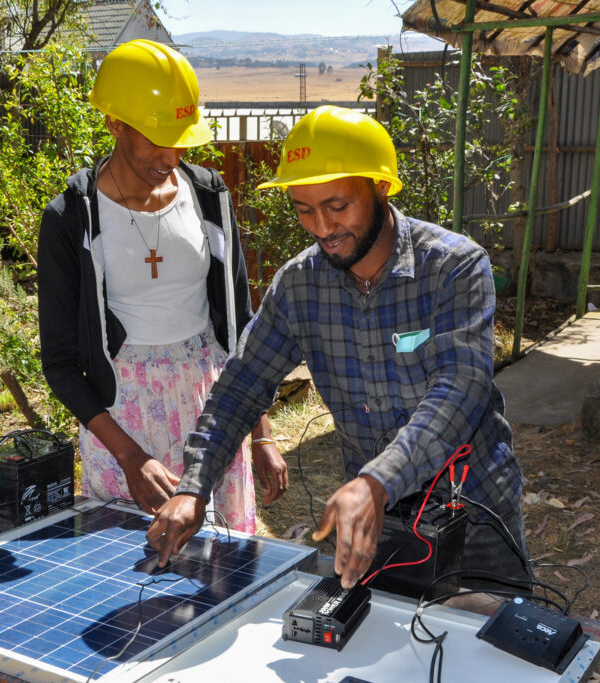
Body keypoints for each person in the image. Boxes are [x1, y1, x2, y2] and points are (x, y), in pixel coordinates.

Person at [147, 105, 528, 589]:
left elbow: (460, 388)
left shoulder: (453, 268)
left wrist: (377, 480)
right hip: (376, 521)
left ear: (380, 187)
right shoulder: (298, 287)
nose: (322, 228)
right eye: (304, 209)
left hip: (474, 507)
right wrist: (194, 486)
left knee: (499, 647)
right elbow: (241, 387)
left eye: (337, 206)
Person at [37, 39, 288, 533]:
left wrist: (260, 434)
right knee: (128, 579)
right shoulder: (71, 219)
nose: (170, 156)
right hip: (123, 424)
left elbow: (239, 328)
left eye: (179, 140)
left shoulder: (210, 199)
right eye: (155, 140)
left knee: (220, 574)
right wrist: (132, 458)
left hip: (212, 410)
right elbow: (62, 365)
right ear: (114, 124)